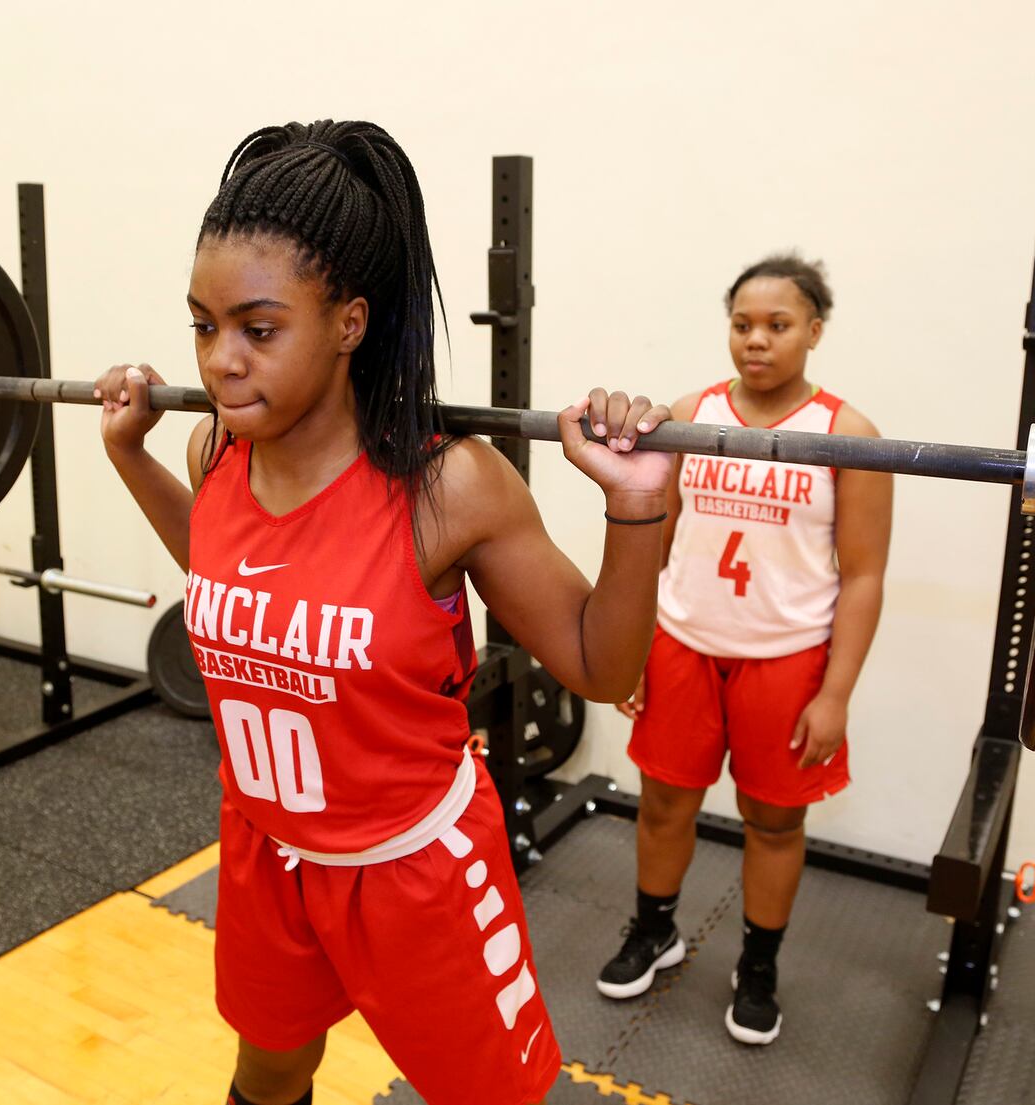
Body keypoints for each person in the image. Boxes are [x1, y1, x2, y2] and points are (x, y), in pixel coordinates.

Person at [93, 120, 675, 1105]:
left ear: (349, 322)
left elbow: (600, 666)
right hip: (265, 849)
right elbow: (230, 573)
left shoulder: (448, 488)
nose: (222, 359)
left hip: (414, 872)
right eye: (203, 325)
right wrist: (130, 457)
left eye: (258, 328)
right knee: (269, 1067)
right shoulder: (215, 455)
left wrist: (635, 503)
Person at [594, 256, 892, 1046]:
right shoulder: (691, 413)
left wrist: (836, 693)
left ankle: (758, 964)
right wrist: (627, 650)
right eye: (742, 325)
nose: (756, 340)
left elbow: (863, 576)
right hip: (682, 642)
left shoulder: (847, 435)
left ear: (814, 332)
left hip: (787, 658)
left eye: (778, 325)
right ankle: (654, 929)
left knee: (773, 821)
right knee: (662, 802)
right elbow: (653, 534)